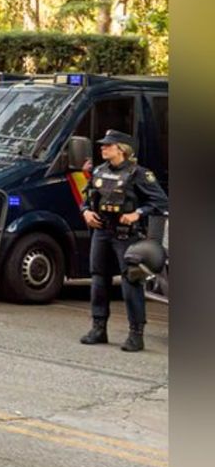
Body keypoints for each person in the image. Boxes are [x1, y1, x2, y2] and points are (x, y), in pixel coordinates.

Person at [79, 129, 168, 352]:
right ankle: (98, 328)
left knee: (131, 283)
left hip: (126, 236)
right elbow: (87, 197)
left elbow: (161, 202)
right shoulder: (99, 171)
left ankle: (136, 334)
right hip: (102, 232)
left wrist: (138, 212)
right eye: (103, 145)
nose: (103, 148)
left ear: (121, 149)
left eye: (108, 145)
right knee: (99, 280)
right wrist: (86, 213)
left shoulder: (138, 174)